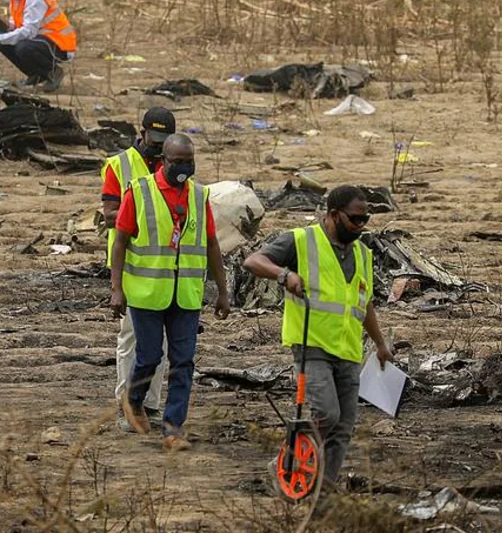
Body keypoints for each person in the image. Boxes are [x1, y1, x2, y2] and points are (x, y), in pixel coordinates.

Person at [241, 185, 394, 488]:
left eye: (365, 219)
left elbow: (364, 303)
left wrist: (379, 344)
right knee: (326, 414)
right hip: (311, 343)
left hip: (348, 349)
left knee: (343, 427)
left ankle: (323, 489)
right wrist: (284, 274)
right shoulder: (302, 240)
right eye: (355, 219)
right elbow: (253, 261)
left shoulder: (362, 253)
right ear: (334, 215)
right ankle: (287, 463)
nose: (361, 226)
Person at [110, 133, 230, 452]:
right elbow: (120, 242)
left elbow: (212, 244)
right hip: (147, 293)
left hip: (186, 295)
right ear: (163, 161)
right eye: (177, 162)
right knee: (149, 357)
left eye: (189, 162)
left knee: (183, 362)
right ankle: (133, 399)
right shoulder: (139, 191)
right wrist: (116, 289)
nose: (184, 168)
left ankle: (173, 429)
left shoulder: (199, 196)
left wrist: (222, 291)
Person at [101, 107, 177, 426]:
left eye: (164, 141)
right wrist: (139, 211)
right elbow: (109, 214)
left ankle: (151, 404)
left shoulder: (173, 164)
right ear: (141, 132)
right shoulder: (119, 165)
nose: (158, 146)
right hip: (130, 264)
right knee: (132, 336)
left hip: (164, 265)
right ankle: (127, 405)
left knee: (160, 340)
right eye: (154, 139)